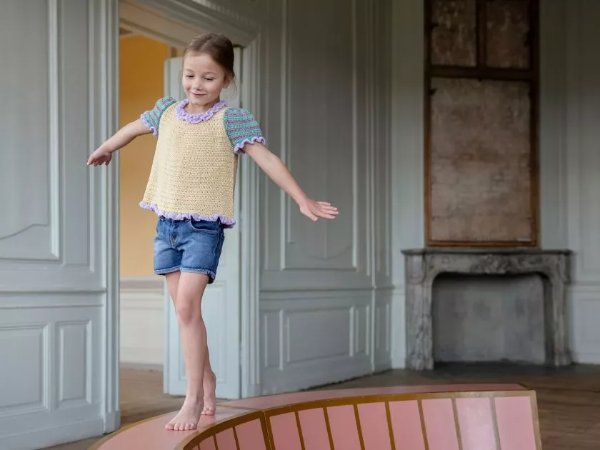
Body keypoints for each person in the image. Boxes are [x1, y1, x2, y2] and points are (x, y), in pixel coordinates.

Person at [87, 33, 338, 432]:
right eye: (190, 75)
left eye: (208, 78)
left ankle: (193, 400)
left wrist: (301, 198)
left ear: (226, 81)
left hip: (203, 228)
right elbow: (132, 129)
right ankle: (208, 382)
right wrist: (106, 148)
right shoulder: (167, 110)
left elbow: (267, 158)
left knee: (187, 308)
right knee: (185, 313)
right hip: (165, 225)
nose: (196, 85)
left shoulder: (231, 119)